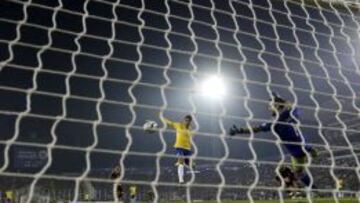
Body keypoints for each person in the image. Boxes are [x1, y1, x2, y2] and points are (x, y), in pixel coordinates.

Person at [229, 92, 318, 189]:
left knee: (297, 173)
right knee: (294, 172)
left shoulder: (275, 122)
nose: (269, 107)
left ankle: (313, 190)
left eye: (271, 105)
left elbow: (256, 129)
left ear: (277, 106)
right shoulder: (289, 114)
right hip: (300, 148)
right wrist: (279, 99)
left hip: (298, 152)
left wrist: (240, 131)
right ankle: (306, 187)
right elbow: (292, 106)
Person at [160, 114, 194, 183]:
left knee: (190, 164)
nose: (186, 121)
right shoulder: (178, 125)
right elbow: (170, 123)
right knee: (181, 161)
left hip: (187, 149)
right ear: (184, 120)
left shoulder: (190, 129)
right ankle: (181, 180)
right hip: (179, 147)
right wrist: (162, 118)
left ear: (190, 122)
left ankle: (189, 163)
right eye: (185, 120)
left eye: (188, 121)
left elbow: (190, 139)